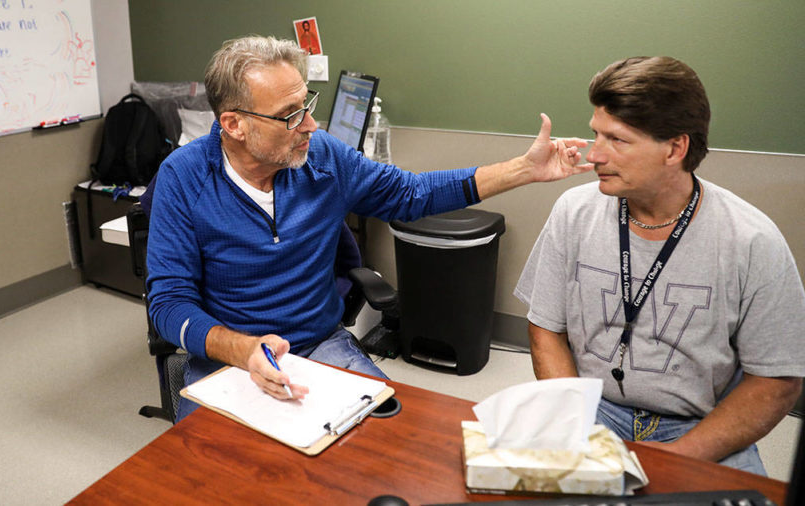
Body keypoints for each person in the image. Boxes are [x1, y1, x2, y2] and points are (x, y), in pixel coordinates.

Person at [146, 35, 593, 422]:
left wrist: (522, 170)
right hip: (228, 361)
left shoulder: (322, 156)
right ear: (234, 125)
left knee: (386, 447)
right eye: (289, 116)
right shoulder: (182, 178)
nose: (310, 125)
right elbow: (167, 304)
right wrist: (242, 351)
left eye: (307, 105)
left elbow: (413, 194)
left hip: (319, 345)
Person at [514, 56, 805, 475]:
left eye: (617, 140)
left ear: (675, 148)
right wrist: (576, 424)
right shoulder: (573, 212)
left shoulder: (751, 239)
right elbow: (545, 328)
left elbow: (776, 383)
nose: (594, 155)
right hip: (591, 408)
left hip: (699, 426)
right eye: (597, 134)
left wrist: (672, 462)